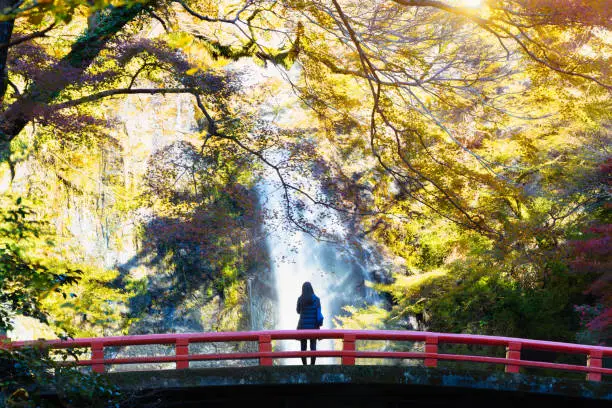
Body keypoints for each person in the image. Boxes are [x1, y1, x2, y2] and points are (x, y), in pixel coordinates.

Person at [296, 281, 323, 365]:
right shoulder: (317, 299)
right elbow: (318, 313)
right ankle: (312, 365)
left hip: (303, 327)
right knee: (313, 346)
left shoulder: (300, 299)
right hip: (314, 327)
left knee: (303, 347)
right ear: (311, 289)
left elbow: (298, 311)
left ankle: (304, 365)